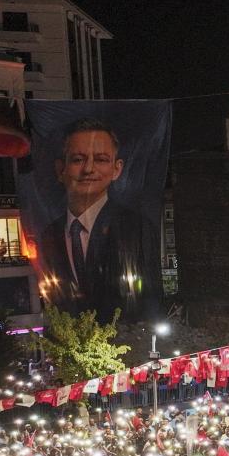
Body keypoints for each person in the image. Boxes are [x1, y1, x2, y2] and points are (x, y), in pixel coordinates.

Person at [38, 118, 159, 320]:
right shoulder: (50, 234)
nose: (88, 169)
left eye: (101, 160)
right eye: (78, 159)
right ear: (61, 169)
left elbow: (149, 297)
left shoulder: (135, 227)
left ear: (116, 169)